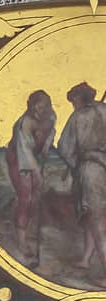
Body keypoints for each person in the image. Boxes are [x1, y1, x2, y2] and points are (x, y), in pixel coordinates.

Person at [60, 83, 106, 281]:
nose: (73, 105)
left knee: (97, 222)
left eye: (73, 101)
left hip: (92, 171)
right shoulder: (104, 110)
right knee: (92, 217)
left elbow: (64, 148)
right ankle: (86, 259)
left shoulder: (77, 117)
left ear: (79, 99)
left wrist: (75, 164)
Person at [8, 90, 56, 263]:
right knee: (26, 197)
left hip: (35, 157)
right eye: (41, 105)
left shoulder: (50, 116)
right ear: (34, 106)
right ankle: (21, 241)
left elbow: (51, 133)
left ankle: (31, 234)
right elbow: (25, 152)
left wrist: (45, 150)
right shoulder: (25, 123)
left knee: (36, 198)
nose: (45, 108)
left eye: (47, 104)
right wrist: (37, 172)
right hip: (19, 159)